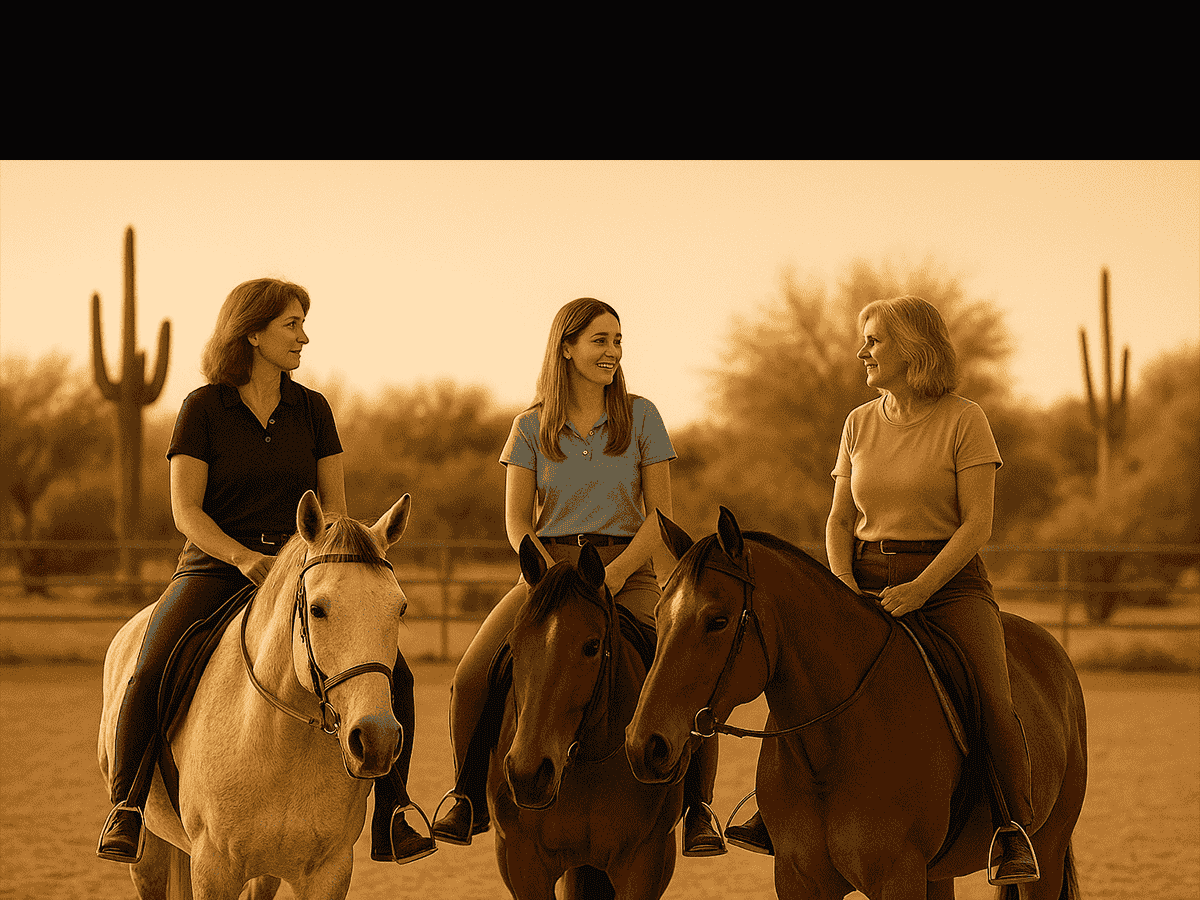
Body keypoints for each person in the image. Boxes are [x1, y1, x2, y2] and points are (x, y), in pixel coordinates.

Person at [97, 278, 435, 867]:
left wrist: (323, 560)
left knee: (394, 674)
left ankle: (394, 808)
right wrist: (244, 558)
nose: (304, 336)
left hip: (304, 570)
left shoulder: (314, 410)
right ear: (251, 332)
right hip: (216, 568)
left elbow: (333, 511)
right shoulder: (202, 409)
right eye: (291, 324)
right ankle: (127, 805)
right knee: (150, 664)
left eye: (302, 323)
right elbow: (186, 511)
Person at [730, 295, 1039, 884]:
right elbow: (839, 519)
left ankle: (1011, 830)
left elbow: (977, 524)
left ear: (913, 347)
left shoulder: (965, 419)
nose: (861, 351)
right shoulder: (857, 421)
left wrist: (922, 589)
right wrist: (841, 587)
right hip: (863, 580)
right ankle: (773, 815)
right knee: (795, 676)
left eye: (873, 339)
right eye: (863, 339)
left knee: (991, 698)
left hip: (948, 586)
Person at [430, 297, 726, 857]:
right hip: (548, 575)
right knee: (471, 675)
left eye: (618, 340)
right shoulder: (528, 426)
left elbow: (659, 516)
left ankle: (698, 807)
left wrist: (615, 574)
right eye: (600, 340)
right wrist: (541, 571)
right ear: (566, 347)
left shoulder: (643, 416)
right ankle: (465, 796)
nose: (612, 351)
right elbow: (516, 521)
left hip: (627, 572)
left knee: (685, 674)